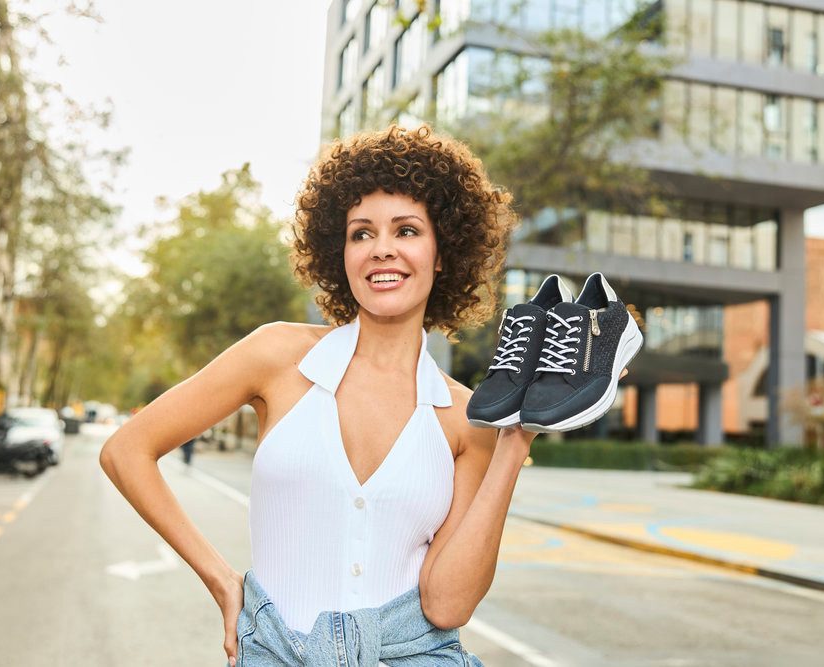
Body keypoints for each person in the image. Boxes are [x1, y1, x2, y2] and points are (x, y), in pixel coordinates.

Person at [99, 125, 533, 665]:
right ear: (338, 251)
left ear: (443, 252)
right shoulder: (276, 356)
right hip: (273, 651)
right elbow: (125, 451)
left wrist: (514, 445)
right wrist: (222, 580)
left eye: (406, 231)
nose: (382, 250)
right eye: (361, 233)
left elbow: (447, 605)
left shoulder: (470, 419)